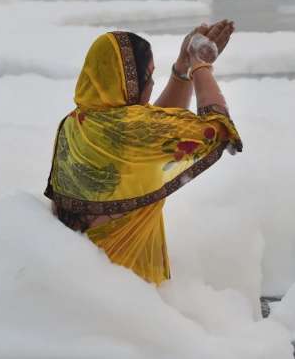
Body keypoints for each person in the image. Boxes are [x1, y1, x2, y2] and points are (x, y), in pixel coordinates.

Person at [44, 20, 241, 284]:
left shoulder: (75, 123)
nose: (149, 86)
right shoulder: (129, 131)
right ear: (127, 81)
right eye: (147, 77)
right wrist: (201, 66)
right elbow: (218, 128)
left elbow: (151, 131)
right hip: (128, 295)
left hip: (81, 286)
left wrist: (182, 69)